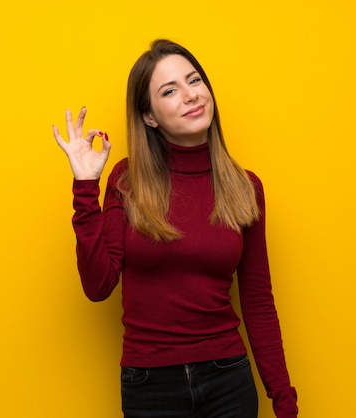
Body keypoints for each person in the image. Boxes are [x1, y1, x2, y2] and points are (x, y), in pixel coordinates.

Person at [53, 39, 298, 418]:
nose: (190, 95)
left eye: (194, 80)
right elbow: (98, 286)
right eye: (169, 90)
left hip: (228, 379)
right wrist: (86, 188)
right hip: (149, 385)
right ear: (149, 116)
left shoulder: (245, 187)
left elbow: (258, 302)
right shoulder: (127, 180)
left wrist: (284, 402)